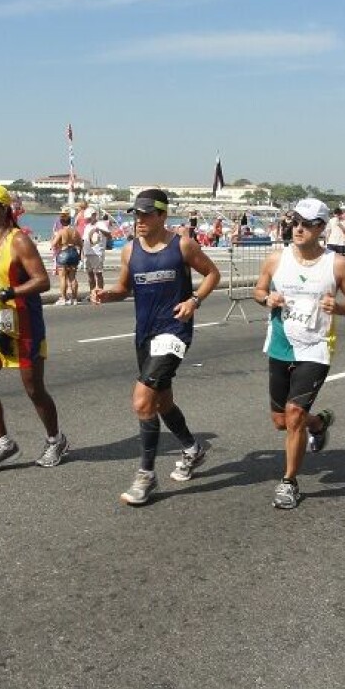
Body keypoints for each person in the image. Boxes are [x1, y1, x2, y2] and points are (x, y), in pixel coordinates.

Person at [90, 188, 221, 506]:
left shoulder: (182, 245)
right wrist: (109, 294)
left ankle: (145, 475)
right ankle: (192, 448)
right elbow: (124, 288)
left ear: (163, 215)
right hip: (144, 335)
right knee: (161, 402)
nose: (140, 220)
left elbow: (212, 274)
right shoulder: (129, 250)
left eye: (147, 214)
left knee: (142, 400)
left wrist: (194, 300)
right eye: (137, 214)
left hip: (175, 332)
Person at [253, 198, 345, 510]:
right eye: (294, 222)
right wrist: (267, 299)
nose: (297, 228)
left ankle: (289, 481)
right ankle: (319, 424)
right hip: (280, 344)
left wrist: (339, 307)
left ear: (320, 228)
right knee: (280, 421)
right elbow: (258, 291)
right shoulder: (276, 259)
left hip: (315, 347)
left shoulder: (336, 264)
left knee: (293, 415)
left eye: (305, 223)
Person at [0, 184, 70, 472]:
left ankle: (55, 439)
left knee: (34, 389)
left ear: (2, 209)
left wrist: (4, 294)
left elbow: (42, 281)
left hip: (26, 325)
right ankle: (2, 442)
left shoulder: (19, 241)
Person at [50, 211, 82, 305]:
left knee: (63, 277)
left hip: (64, 253)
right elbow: (81, 244)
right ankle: (74, 299)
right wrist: (79, 255)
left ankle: (63, 298)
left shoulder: (61, 231)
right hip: (74, 253)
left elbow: (53, 244)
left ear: (61, 222)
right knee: (72, 277)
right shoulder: (75, 231)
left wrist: (55, 241)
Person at [82, 206, 111, 293]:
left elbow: (109, 236)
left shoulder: (101, 224)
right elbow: (84, 240)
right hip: (87, 252)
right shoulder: (87, 226)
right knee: (90, 274)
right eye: (87, 218)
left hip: (97, 253)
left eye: (90, 217)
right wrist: (82, 253)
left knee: (98, 274)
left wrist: (100, 230)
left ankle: (100, 292)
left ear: (94, 215)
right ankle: (92, 292)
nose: (88, 219)